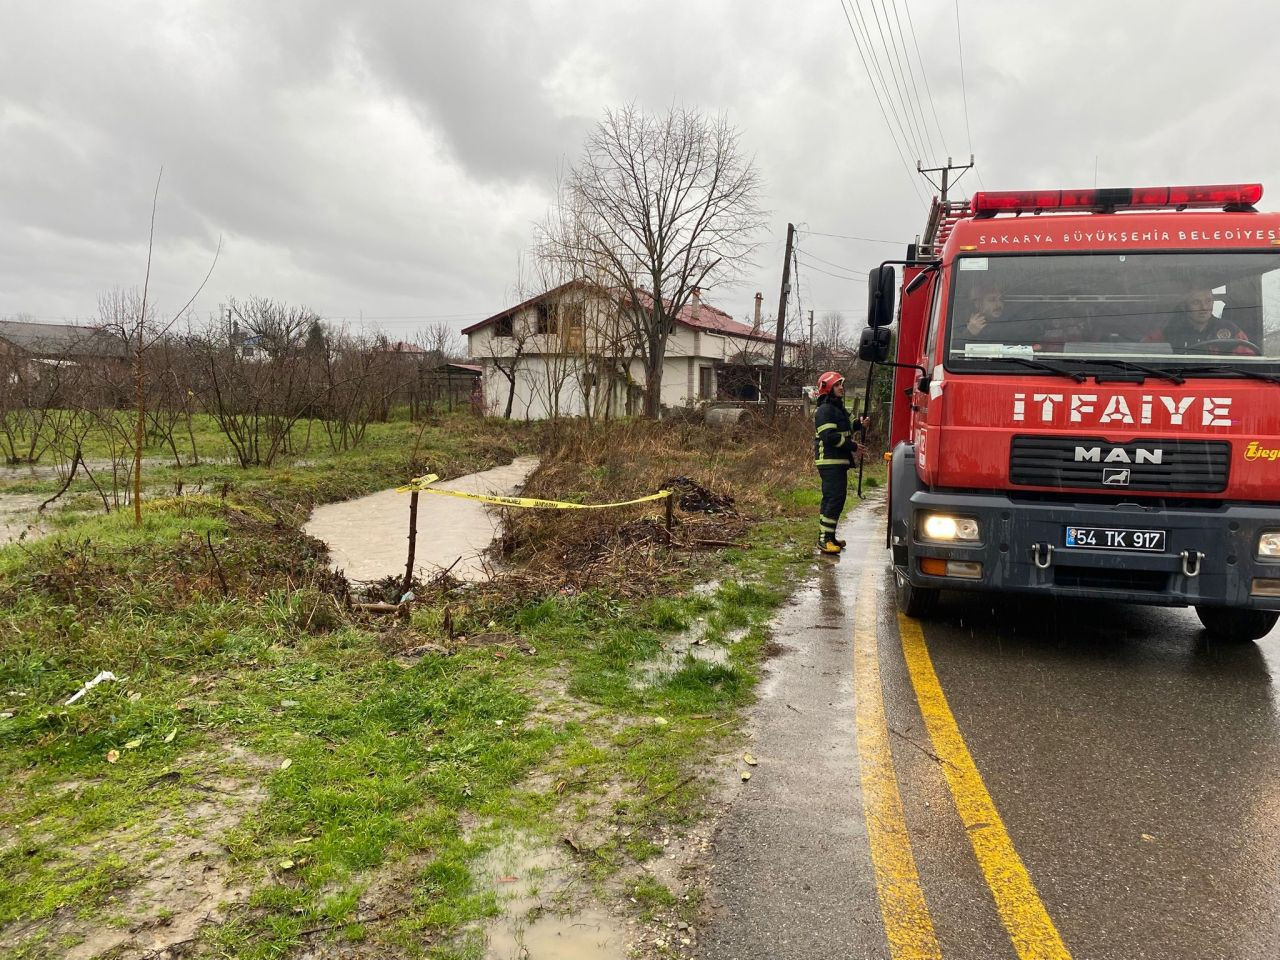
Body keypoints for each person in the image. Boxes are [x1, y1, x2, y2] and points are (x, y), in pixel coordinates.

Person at [813, 371, 867, 555]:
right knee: (833, 498)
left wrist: (860, 424)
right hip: (829, 461)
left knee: (837, 498)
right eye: (837, 385)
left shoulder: (838, 409)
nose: (841, 387)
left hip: (838, 461)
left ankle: (829, 536)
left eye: (841, 384)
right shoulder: (824, 410)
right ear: (827, 388)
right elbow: (829, 437)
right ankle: (823, 539)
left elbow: (849, 426)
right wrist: (852, 446)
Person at [1148, 287, 1251, 353]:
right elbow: (1143, 354)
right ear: (1184, 306)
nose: (1204, 308)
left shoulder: (1231, 330)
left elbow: (1248, 363)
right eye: (1196, 302)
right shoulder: (1169, 331)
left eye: (1208, 301)